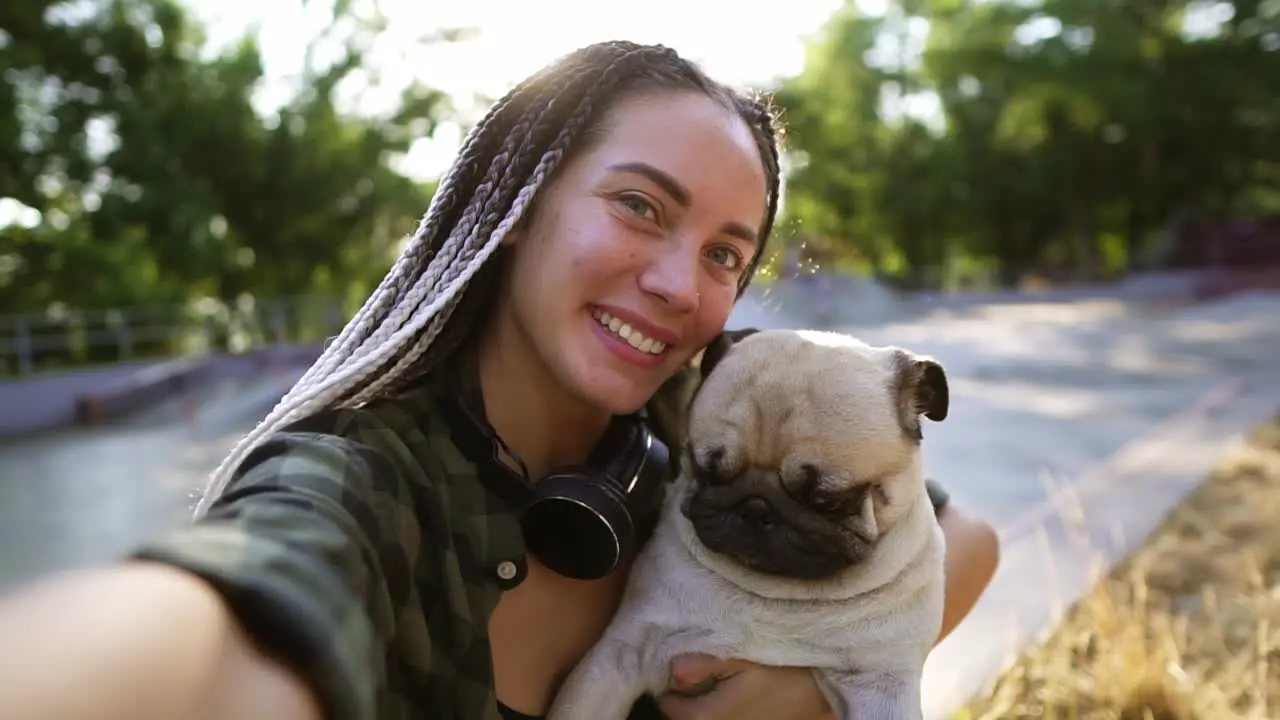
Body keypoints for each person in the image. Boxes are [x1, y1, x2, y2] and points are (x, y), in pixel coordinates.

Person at [0, 41, 999, 720]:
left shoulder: (695, 400)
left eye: (724, 255)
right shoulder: (368, 480)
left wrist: (798, 695)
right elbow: (223, 625)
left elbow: (963, 539)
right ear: (518, 205)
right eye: (640, 206)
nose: (673, 284)